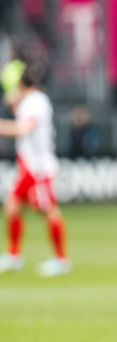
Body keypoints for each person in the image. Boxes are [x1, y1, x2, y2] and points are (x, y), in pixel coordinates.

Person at [0, 66, 70, 277]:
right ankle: (13, 256)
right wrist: (14, 106)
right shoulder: (33, 100)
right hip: (29, 166)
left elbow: (24, 128)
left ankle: (61, 260)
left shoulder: (35, 102)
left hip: (39, 168)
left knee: (48, 210)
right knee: (11, 205)